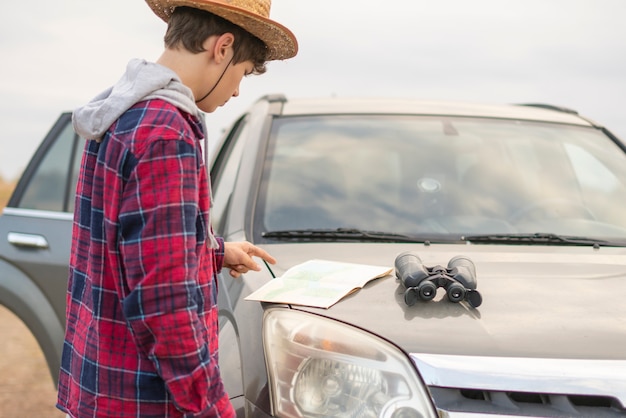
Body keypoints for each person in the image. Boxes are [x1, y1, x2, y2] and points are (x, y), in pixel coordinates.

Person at [56, 1, 297, 417]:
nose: (237, 90)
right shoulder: (167, 132)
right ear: (222, 47)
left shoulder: (122, 112)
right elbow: (164, 303)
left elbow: (129, 247)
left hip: (102, 382)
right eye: (241, 74)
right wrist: (210, 408)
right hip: (145, 398)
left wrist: (216, 252)